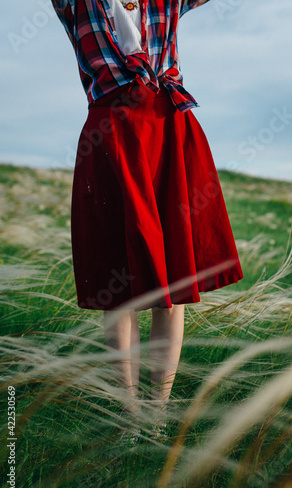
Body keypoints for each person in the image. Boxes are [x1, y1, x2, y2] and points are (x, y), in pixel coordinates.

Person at [51, 0, 244, 432]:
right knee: (119, 288)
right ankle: (128, 417)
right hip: (111, 134)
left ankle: (157, 418)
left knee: (172, 285)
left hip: (169, 129)